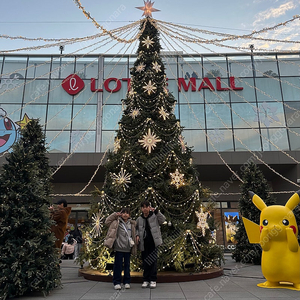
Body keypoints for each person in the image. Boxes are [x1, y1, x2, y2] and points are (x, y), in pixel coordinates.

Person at [104, 208, 137, 290]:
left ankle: (127, 282)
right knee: (117, 266)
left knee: (127, 266)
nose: (125, 214)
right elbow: (106, 222)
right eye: (123, 213)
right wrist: (115, 215)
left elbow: (135, 233)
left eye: (127, 213)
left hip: (128, 248)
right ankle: (117, 282)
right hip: (118, 248)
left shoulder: (132, 224)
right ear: (121, 214)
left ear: (129, 215)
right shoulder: (116, 222)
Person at [136, 201, 166, 289]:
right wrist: (137, 235)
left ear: (149, 207)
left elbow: (163, 220)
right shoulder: (139, 219)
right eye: (143, 207)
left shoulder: (154, 216)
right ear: (141, 209)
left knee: (153, 261)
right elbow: (136, 228)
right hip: (143, 243)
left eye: (146, 207)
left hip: (153, 242)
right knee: (145, 261)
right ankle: (146, 280)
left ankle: (153, 280)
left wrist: (157, 212)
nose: (145, 209)